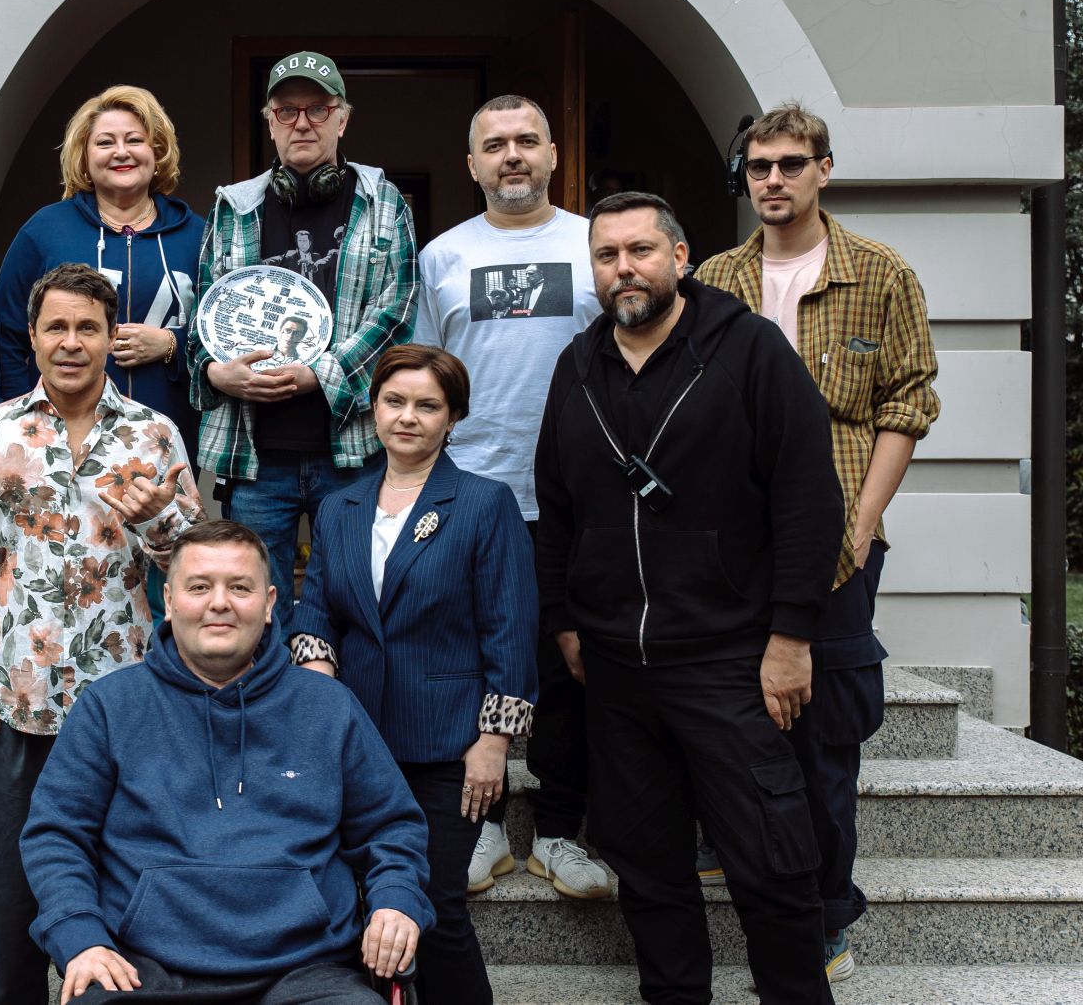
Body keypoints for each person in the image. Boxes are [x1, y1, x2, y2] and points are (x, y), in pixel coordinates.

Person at [536, 192, 844, 1005]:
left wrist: (792, 636)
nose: (624, 269)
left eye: (640, 250)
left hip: (730, 659)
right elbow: (556, 504)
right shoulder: (578, 366)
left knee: (772, 860)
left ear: (679, 257)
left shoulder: (750, 350)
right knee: (646, 866)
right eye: (607, 255)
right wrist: (564, 620)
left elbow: (809, 499)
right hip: (615, 669)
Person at [693, 102, 941, 981]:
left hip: (837, 548)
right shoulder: (715, 279)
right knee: (726, 709)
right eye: (759, 166)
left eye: (791, 163)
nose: (773, 180)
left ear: (823, 170)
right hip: (731, 548)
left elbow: (907, 405)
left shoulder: (880, 273)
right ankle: (733, 843)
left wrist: (861, 528)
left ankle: (829, 910)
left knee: (823, 734)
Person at [0, 262, 205, 1005]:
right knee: (9, 900)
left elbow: (199, 572)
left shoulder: (153, 434)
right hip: (16, 701)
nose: (72, 341)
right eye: (57, 326)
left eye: (89, 327)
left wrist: (159, 520)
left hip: (128, 704)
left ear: (112, 337)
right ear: (32, 336)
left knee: (125, 890)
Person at [21, 520, 435, 1004]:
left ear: (270, 603)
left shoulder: (328, 706)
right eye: (200, 587)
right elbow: (57, 834)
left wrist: (396, 901)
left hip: (309, 970)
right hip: (142, 971)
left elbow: (391, 828)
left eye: (240, 587)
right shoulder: (110, 707)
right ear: (170, 601)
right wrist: (80, 936)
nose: (219, 602)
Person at [291, 344, 536, 1005]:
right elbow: (316, 610)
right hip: (357, 745)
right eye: (394, 401)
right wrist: (316, 671)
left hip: (448, 747)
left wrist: (494, 742)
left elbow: (510, 629)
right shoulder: (340, 506)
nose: (407, 417)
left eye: (427, 405)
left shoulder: (484, 504)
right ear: (373, 409)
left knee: (434, 905)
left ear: (452, 417)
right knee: (365, 905)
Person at [413, 94, 605, 900]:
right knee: (473, 663)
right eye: (495, 144)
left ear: (555, 154)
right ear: (473, 164)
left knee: (568, 666)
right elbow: (423, 374)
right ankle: (481, 827)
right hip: (475, 491)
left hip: (581, 496)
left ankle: (558, 830)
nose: (513, 155)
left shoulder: (596, 243)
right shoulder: (442, 255)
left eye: (528, 140)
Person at [189, 49, 419, 632]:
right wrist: (216, 372)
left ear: (343, 118)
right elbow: (204, 317)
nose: (302, 123)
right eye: (287, 110)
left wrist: (321, 373)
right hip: (255, 456)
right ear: (269, 121)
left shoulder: (384, 203)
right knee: (251, 611)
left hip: (352, 452)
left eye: (318, 109)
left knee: (357, 603)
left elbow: (397, 313)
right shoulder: (233, 209)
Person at [0, 84, 203, 466]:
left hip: (164, 447)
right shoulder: (45, 231)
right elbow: (5, 337)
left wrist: (171, 344)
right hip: (56, 449)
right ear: (84, 157)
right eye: (105, 142)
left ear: (157, 152)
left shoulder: (198, 237)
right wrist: (23, 421)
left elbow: (221, 343)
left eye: (134, 140)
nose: (121, 152)